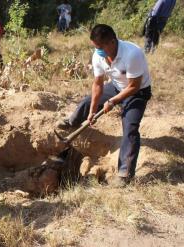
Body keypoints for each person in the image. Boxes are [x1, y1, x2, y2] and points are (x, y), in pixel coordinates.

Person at [56, 24, 152, 187]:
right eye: (95, 47)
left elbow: (134, 85)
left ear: (112, 42)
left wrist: (113, 101)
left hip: (138, 92)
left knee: (130, 128)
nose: (97, 51)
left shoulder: (132, 54)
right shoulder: (98, 55)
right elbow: (98, 84)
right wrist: (93, 111)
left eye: (100, 47)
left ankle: (125, 175)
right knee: (87, 102)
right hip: (116, 86)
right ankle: (73, 122)